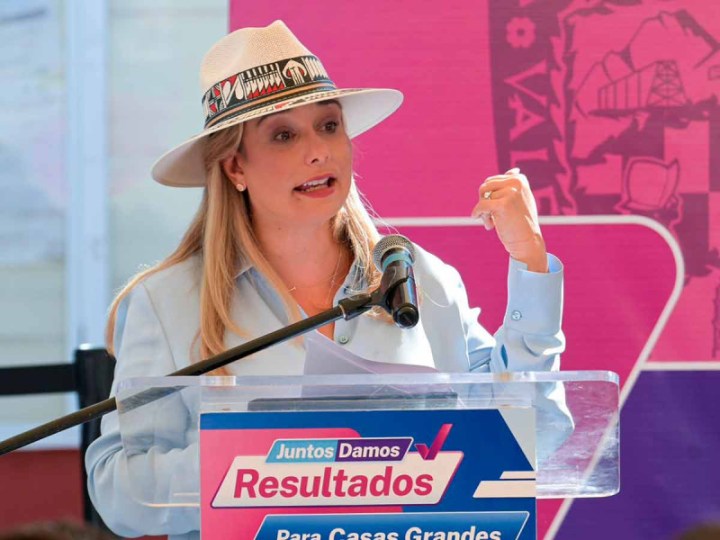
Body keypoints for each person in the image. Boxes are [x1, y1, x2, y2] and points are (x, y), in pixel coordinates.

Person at [85, 20, 566, 539]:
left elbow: (537, 433)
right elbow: (120, 495)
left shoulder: (418, 277)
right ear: (235, 168)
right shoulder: (167, 302)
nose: (318, 151)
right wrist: (261, 461)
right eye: (284, 135)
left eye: (329, 125)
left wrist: (530, 263)